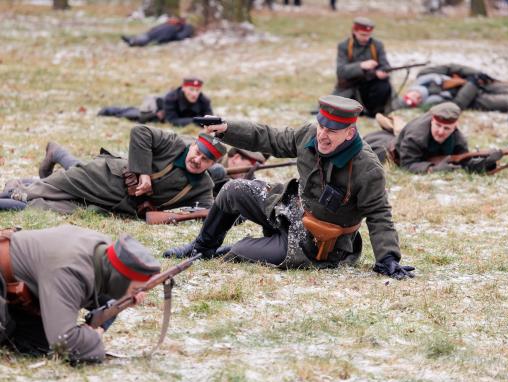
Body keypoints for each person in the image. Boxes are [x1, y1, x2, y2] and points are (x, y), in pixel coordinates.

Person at [164, 95, 415, 281]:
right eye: (322, 127)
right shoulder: (309, 135)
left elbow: (379, 214)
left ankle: (231, 250)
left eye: (333, 131)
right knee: (232, 190)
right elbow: (268, 137)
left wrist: (388, 258)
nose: (323, 136)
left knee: (240, 250)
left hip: (316, 243)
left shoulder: (366, 168)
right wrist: (227, 129)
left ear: (350, 133)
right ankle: (202, 249)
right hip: (288, 210)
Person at [0, 225, 160, 364]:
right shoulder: (70, 271)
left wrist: (122, 302)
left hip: (19, 287)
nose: (139, 294)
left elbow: (104, 298)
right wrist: (94, 339)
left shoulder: (101, 253)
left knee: (38, 344)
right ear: (120, 279)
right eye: (136, 289)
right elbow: (64, 342)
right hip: (6, 281)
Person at [1, 126, 226, 216]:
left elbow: (208, 211)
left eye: (205, 160)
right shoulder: (174, 144)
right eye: (197, 152)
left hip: (115, 205)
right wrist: (144, 173)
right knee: (32, 192)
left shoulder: (203, 185)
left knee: (46, 207)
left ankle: (53, 158)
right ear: (193, 145)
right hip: (103, 177)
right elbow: (140, 132)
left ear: (211, 165)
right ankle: (15, 188)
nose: (197, 160)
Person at [392, 102, 502, 173]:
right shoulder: (416, 136)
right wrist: (432, 169)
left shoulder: (459, 140)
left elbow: (465, 163)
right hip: (392, 148)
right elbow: (406, 165)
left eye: (446, 128)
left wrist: (486, 162)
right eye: (438, 125)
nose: (440, 132)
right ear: (432, 121)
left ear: (454, 127)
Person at [332, 17, 392, 117]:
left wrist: (382, 73)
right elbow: (341, 71)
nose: (366, 38)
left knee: (384, 86)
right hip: (351, 87)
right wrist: (361, 66)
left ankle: (375, 113)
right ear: (354, 31)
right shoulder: (344, 46)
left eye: (369, 35)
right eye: (363, 35)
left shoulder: (377, 45)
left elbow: (385, 65)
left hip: (371, 84)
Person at [398, 63, 508, 112]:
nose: (417, 98)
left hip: (468, 80)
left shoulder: (424, 74)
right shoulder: (430, 105)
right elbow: (457, 104)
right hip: (471, 99)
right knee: (507, 102)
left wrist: (474, 74)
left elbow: (450, 68)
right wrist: (473, 84)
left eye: (412, 97)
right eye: (415, 102)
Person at [98, 77, 213, 127]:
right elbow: (171, 121)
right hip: (156, 110)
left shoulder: (204, 100)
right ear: (184, 88)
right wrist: (196, 121)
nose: (194, 93)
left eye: (197, 90)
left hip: (176, 117)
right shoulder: (171, 97)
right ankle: (108, 111)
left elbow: (210, 119)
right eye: (191, 89)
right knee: (134, 115)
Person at [121, 17, 194, 47]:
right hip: (152, 34)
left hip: (159, 37)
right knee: (145, 36)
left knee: (146, 39)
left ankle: (133, 41)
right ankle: (132, 39)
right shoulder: (169, 24)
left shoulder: (185, 27)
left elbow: (180, 37)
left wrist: (170, 38)